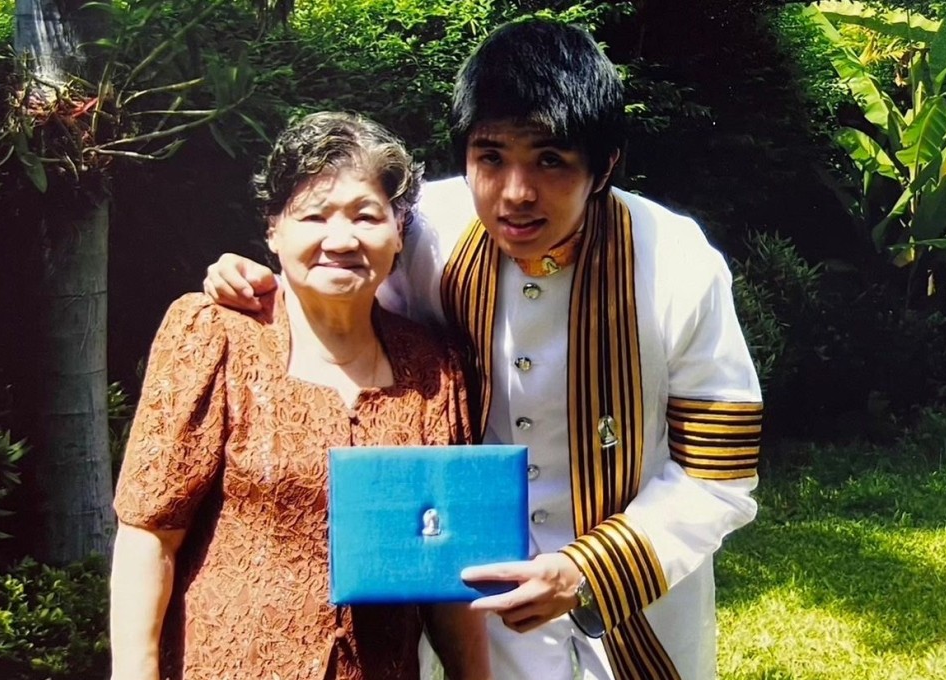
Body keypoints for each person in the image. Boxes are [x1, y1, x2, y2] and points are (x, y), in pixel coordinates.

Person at [202, 19, 763, 680]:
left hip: (638, 603)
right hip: (470, 597)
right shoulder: (427, 233)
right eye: (491, 157)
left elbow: (718, 473)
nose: (516, 192)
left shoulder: (676, 263)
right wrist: (257, 283)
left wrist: (588, 572)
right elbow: (335, 295)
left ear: (604, 165)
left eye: (550, 159)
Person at [109, 111, 490, 680]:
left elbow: (446, 571)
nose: (341, 239)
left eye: (366, 216)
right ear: (273, 230)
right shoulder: (215, 334)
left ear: (399, 228)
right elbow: (149, 533)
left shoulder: (435, 370)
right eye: (315, 216)